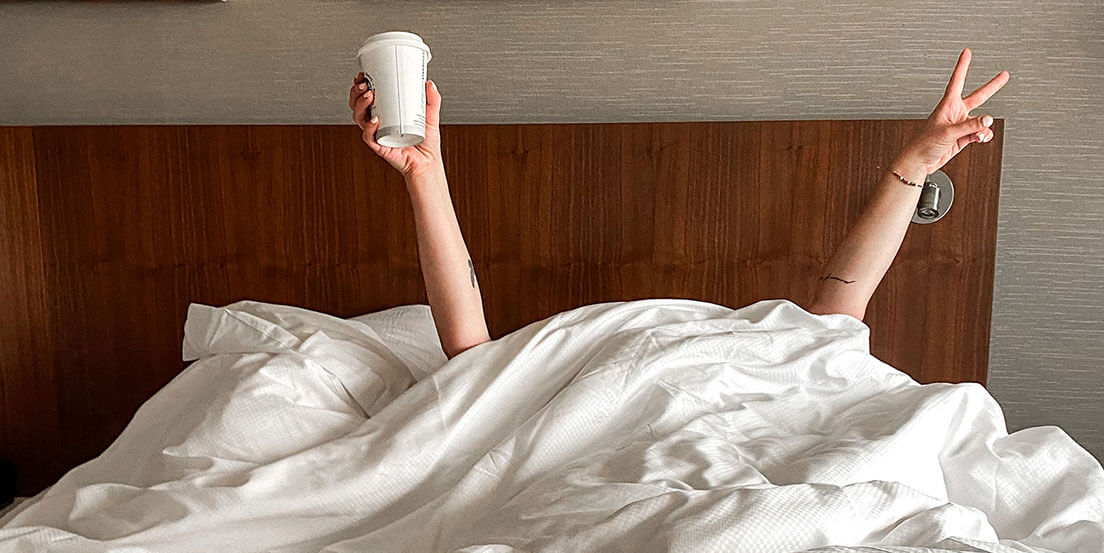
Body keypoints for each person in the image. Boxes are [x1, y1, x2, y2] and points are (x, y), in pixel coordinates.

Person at [347, 49, 1008, 359]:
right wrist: (422, 171)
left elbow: (834, 321)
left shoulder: (758, 365)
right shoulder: (558, 374)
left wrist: (910, 168)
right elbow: (473, 362)